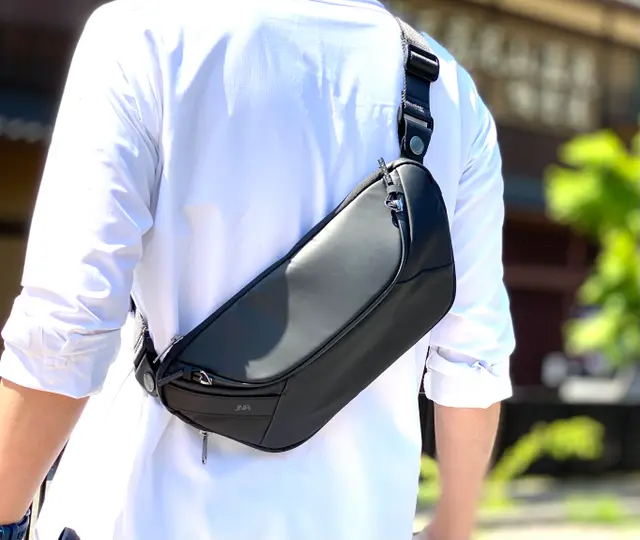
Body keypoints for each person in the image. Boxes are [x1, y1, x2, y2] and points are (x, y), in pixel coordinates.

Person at [0, 0, 515, 539]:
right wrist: (452, 527)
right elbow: (474, 360)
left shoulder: (145, 35)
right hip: (361, 519)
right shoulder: (450, 93)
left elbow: (67, 326)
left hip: (152, 513)